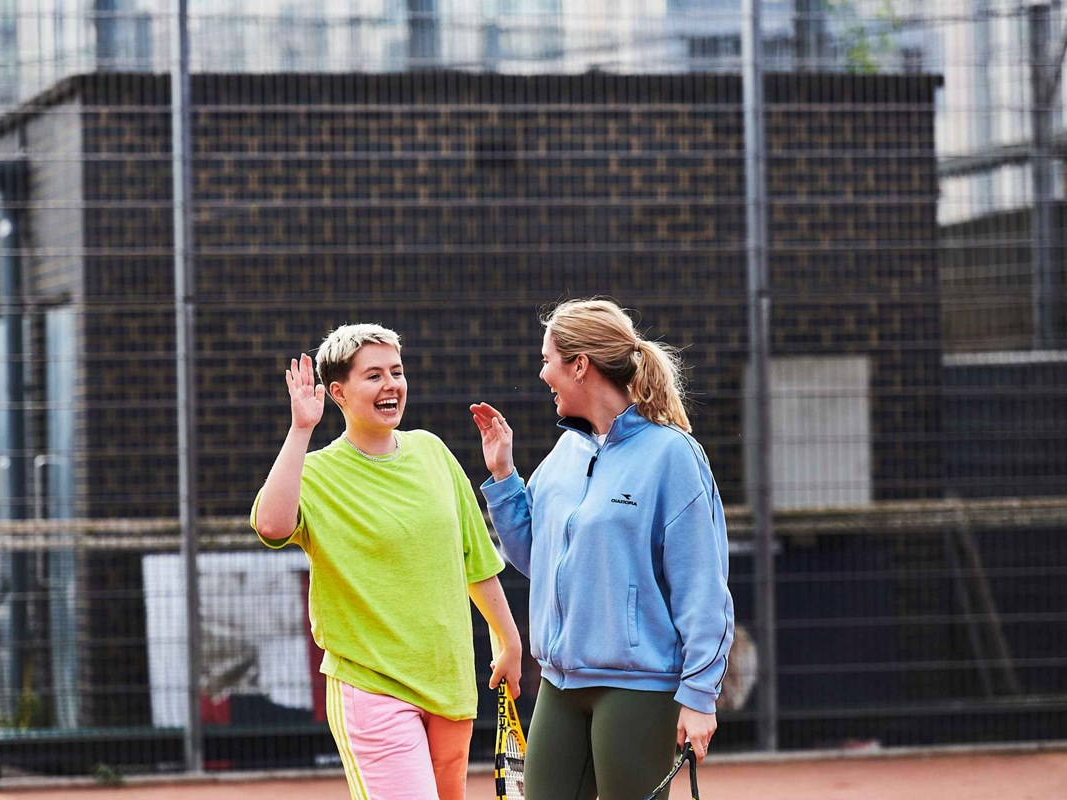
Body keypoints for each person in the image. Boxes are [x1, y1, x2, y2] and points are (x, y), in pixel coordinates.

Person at [471, 298, 734, 800]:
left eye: (548, 358)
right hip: (559, 684)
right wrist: (503, 476)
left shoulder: (673, 455)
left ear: (579, 366)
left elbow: (703, 586)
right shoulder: (564, 453)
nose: (542, 372)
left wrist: (700, 696)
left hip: (639, 689)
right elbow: (537, 560)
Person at [252, 323, 522, 800]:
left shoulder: (433, 452)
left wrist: (508, 639)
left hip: (450, 683)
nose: (391, 385)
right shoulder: (315, 473)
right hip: (370, 684)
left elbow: (476, 560)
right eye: (373, 375)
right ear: (337, 391)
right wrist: (300, 429)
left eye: (396, 372)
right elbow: (272, 526)